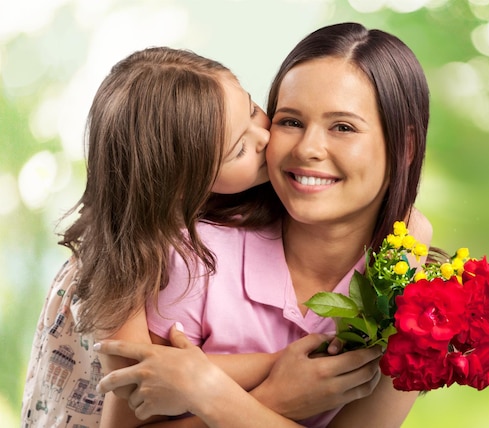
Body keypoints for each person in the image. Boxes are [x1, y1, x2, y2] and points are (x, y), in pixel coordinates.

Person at [21, 46, 382, 428]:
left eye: (253, 109)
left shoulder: (242, 203)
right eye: (240, 148)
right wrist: (277, 378)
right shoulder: (121, 259)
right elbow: (141, 384)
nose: (266, 138)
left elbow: (412, 222)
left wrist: (203, 381)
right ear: (182, 181)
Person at [98, 22, 433, 427]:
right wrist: (280, 396)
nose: (308, 148)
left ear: (407, 146)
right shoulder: (195, 257)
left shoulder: (414, 295)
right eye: (290, 121)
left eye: (342, 127)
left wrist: (208, 389)